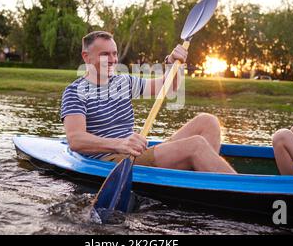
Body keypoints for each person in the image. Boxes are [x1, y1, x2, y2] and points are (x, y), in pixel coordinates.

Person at [61, 31, 235, 173]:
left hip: (135, 153)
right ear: (86, 57)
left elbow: (167, 87)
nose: (113, 59)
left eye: (114, 53)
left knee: (208, 121)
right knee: (196, 145)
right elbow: (76, 140)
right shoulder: (75, 92)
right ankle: (235, 188)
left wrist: (173, 63)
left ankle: (204, 179)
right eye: (105, 54)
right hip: (111, 160)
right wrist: (120, 144)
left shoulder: (123, 82)